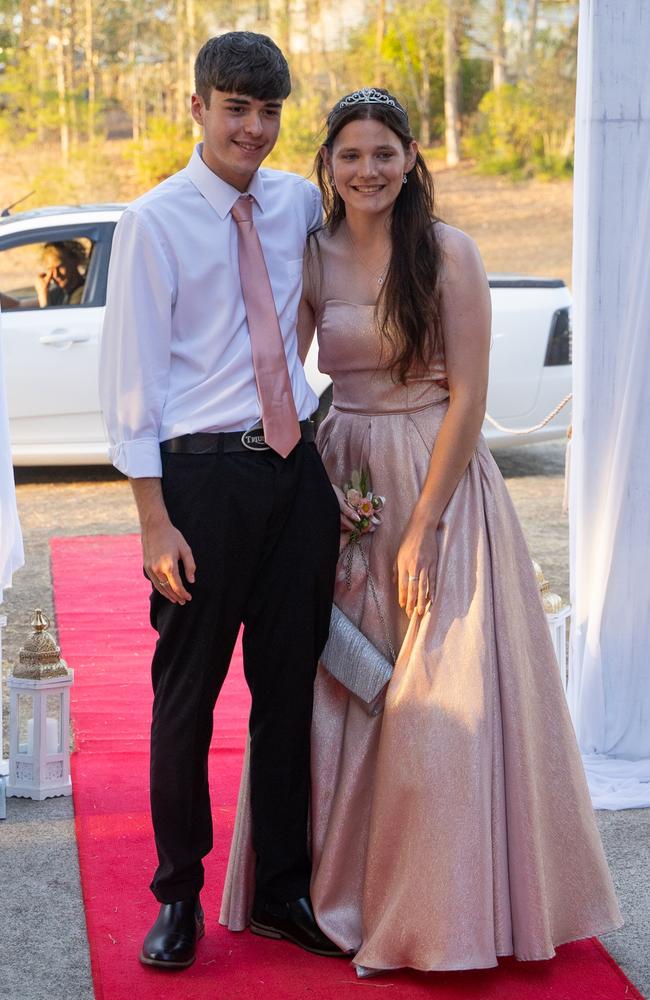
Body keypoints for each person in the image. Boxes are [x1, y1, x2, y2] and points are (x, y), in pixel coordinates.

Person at [221, 87, 623, 975]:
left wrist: (420, 528)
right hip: (341, 474)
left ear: (411, 160)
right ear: (327, 165)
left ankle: (447, 905)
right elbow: (276, 374)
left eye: (383, 154)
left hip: (437, 478)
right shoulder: (314, 257)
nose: (367, 170)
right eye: (350, 155)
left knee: (444, 698)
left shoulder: (449, 254)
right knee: (338, 680)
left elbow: (470, 399)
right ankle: (327, 887)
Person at [99, 32, 343, 971]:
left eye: (270, 110)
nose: (255, 127)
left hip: (296, 474)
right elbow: (134, 380)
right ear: (197, 107)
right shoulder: (154, 221)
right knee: (186, 697)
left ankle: (281, 890)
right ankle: (178, 895)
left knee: (289, 692)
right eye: (237, 107)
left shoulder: (293, 204)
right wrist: (154, 518)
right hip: (202, 483)